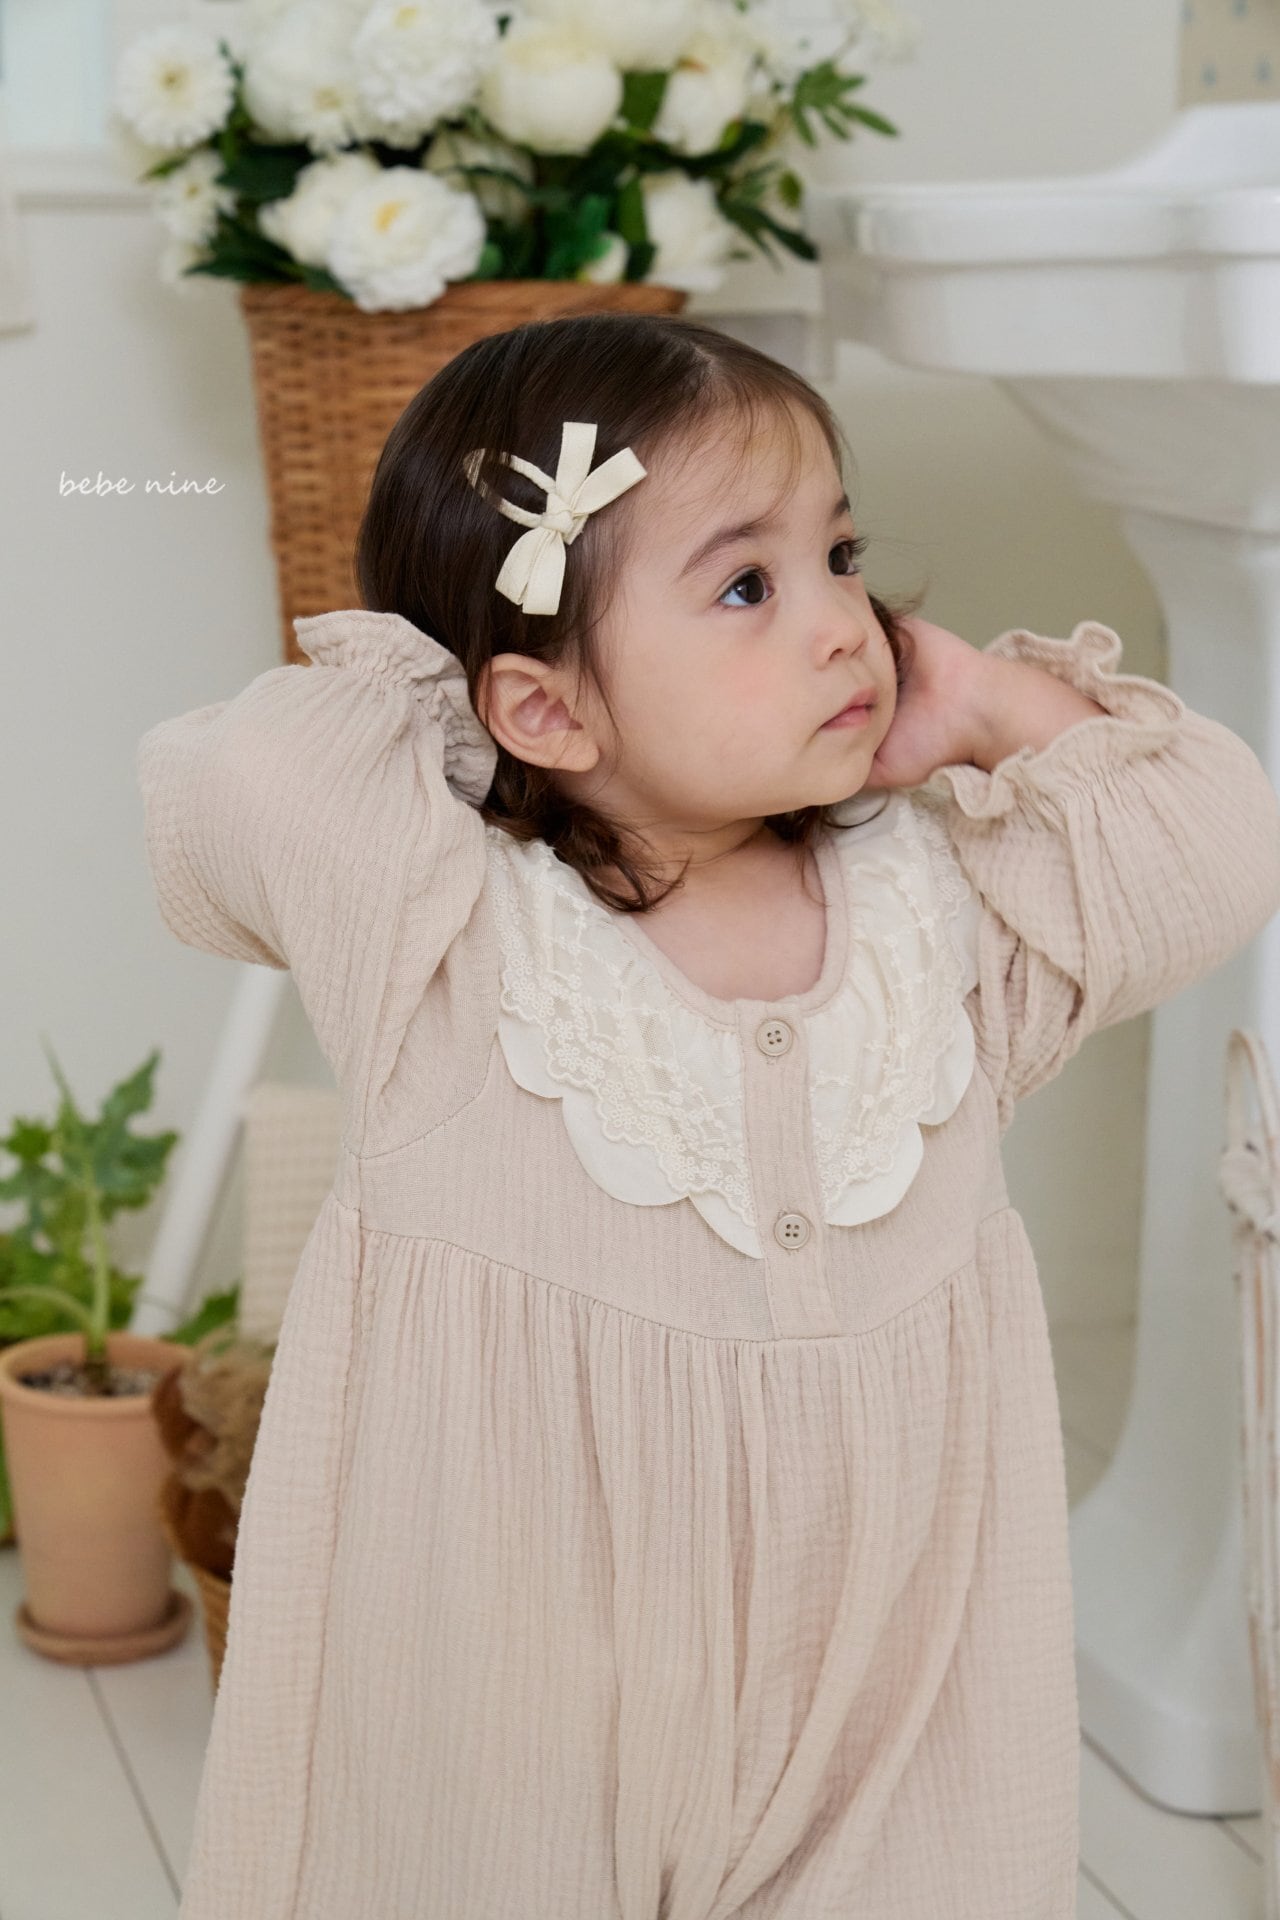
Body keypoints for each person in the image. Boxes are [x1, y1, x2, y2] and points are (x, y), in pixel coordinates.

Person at [136, 313, 1280, 1920]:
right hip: (513, 1708)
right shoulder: (442, 934)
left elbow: (1214, 847)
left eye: (842, 557)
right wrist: (439, 695)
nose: (843, 628)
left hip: (887, 1696)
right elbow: (224, 794)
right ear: (544, 711)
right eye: (749, 586)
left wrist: (988, 702)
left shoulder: (942, 914)